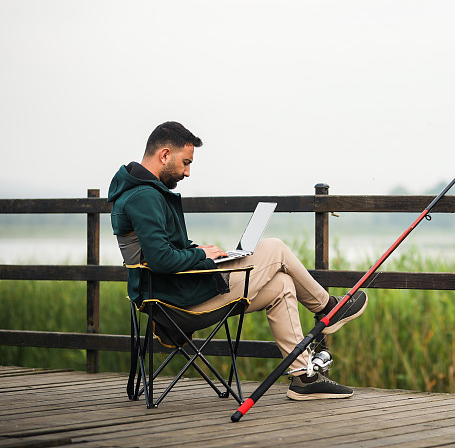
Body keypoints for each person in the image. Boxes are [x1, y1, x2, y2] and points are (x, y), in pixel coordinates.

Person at [108, 121, 367, 400]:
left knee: (282, 285)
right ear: (164, 155)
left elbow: (160, 250)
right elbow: (160, 259)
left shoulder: (139, 191)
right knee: (276, 248)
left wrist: (199, 250)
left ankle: (304, 377)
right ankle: (328, 309)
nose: (187, 172)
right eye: (186, 162)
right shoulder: (144, 196)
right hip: (178, 302)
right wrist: (201, 255)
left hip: (176, 292)